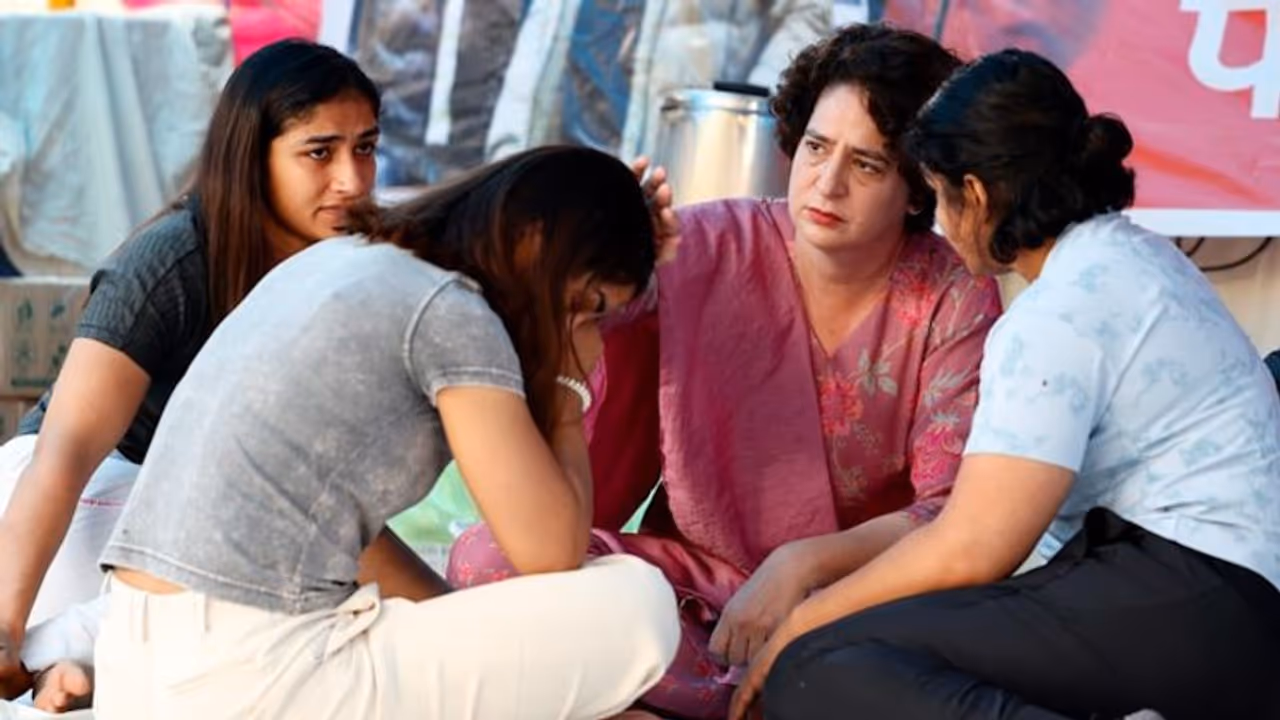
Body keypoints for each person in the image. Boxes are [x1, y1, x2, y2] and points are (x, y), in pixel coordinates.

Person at [448, 24, 1003, 719]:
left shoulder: (954, 297)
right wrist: (618, 256)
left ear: (918, 186)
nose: (826, 183)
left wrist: (802, 563)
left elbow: (951, 513)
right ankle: (729, 696)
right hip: (686, 591)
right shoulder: (706, 244)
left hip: (847, 602)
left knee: (857, 669)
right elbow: (586, 344)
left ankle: (655, 693)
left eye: (867, 165)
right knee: (485, 559)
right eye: (815, 148)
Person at [733, 49, 1280, 720]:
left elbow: (975, 546)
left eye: (938, 196)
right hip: (1219, 606)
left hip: (1193, 598)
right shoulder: (1132, 255)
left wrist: (801, 622)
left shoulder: (1057, 313)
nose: (937, 221)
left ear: (979, 195)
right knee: (866, 649)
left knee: (820, 671)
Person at [92, 145, 680, 720]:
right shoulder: (451, 312)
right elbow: (550, 550)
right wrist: (566, 386)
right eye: (594, 306)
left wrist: (503, 658)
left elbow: (359, 541)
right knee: (640, 604)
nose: (594, 333)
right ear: (537, 245)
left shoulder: (347, 259)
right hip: (250, 675)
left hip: (137, 669)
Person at [0, 39, 382, 711]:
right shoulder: (171, 263)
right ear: (251, 157)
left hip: (194, 529)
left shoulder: (356, 261)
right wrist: (3, 629)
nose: (350, 179)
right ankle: (45, 655)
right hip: (84, 501)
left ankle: (80, 670)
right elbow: (66, 455)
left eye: (367, 148)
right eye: (319, 152)